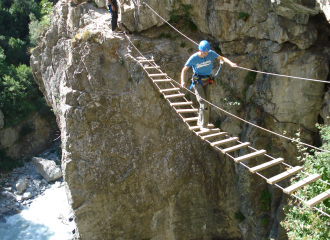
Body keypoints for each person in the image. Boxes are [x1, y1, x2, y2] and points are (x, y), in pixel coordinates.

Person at [180, 40, 237, 132]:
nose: (206, 54)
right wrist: (182, 81)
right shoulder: (193, 58)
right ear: (199, 50)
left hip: (207, 81)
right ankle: (203, 126)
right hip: (197, 82)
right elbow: (184, 69)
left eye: (207, 52)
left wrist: (231, 63)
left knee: (207, 103)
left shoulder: (210, 53)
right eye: (204, 52)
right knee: (203, 103)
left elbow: (222, 58)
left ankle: (200, 121)